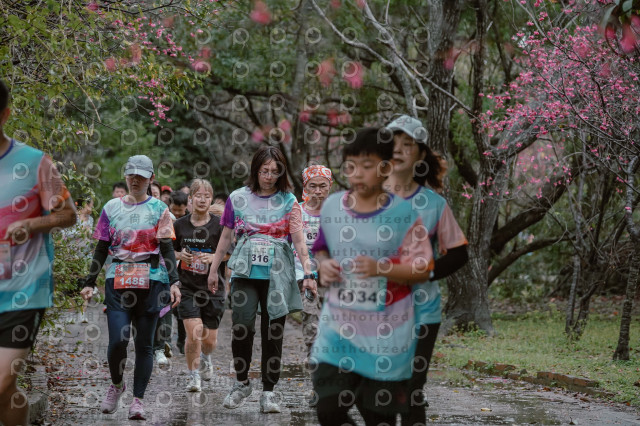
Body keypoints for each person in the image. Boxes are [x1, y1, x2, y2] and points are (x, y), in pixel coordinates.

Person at [310, 127, 435, 426]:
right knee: (328, 410)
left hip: (387, 336)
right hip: (337, 332)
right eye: (351, 166)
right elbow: (321, 248)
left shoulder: (404, 214)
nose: (357, 174)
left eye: (367, 166)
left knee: (379, 417)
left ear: (386, 168)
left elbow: (424, 268)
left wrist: (381, 269)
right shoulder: (332, 206)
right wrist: (323, 265)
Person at [207, 145, 317, 413]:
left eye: (275, 172)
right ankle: (242, 382)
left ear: (282, 173)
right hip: (245, 270)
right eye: (264, 171)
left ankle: (269, 391)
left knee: (273, 332)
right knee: (242, 325)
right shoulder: (237, 197)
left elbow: (299, 240)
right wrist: (213, 269)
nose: (269, 176)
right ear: (255, 169)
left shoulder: (289, 201)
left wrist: (308, 273)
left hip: (278, 273)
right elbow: (225, 236)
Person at [79, 155, 181, 420]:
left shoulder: (160, 209)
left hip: (152, 280)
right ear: (125, 176)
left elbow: (167, 249)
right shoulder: (111, 207)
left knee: (144, 344)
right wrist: (89, 281)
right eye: (131, 175)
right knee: (117, 341)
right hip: (118, 280)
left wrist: (175, 282)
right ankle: (117, 385)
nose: (135, 180)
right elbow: (101, 247)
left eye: (141, 176)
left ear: (151, 178)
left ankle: (138, 401)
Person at [0, 79, 77, 426]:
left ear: (4, 115)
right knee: (6, 390)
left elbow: (68, 215)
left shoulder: (36, 163)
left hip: (23, 290)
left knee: (1, 382)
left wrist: (31, 224)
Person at [385, 115, 468, 425]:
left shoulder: (434, 204)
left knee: (411, 389)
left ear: (420, 155)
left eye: (407, 144)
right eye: (393, 143)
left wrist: (424, 273)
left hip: (422, 312)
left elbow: (458, 253)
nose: (398, 149)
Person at [174, 179, 232, 392]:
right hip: (187, 287)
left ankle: (206, 357)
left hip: (213, 288)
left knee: (210, 340)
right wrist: (180, 255)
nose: (202, 200)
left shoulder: (220, 225)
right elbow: (168, 251)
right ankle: (193, 376)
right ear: (190, 199)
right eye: (198, 196)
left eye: (206, 196)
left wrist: (214, 258)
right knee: (193, 332)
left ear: (211, 199)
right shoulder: (179, 225)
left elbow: (229, 253)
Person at [293, 165, 332, 365]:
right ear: (305, 187)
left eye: (322, 186)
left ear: (330, 186)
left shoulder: (337, 212)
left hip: (330, 274)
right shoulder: (297, 211)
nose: (317, 191)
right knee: (310, 314)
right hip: (303, 273)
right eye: (313, 186)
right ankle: (313, 355)